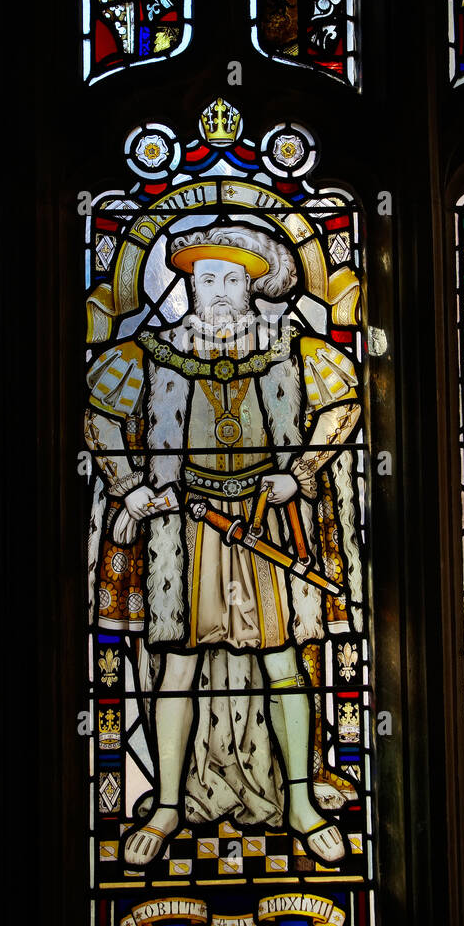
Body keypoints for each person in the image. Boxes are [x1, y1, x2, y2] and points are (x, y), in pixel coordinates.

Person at [85, 225, 361, 865]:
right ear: (186, 285)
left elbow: (343, 402)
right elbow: (95, 411)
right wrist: (128, 486)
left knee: (283, 661)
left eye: (231, 279)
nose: (216, 292)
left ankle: (298, 800)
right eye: (204, 278)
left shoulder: (288, 346)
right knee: (177, 666)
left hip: (264, 524)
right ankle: (168, 806)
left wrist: (302, 472)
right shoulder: (152, 351)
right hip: (183, 527)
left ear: (251, 288)